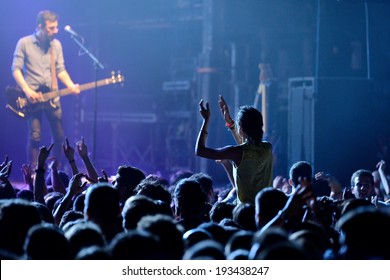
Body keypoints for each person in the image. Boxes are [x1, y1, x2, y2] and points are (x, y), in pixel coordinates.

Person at [11, 10, 80, 169]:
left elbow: (61, 69)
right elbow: (15, 69)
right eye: (51, 28)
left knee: (59, 136)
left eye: (56, 27)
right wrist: (28, 91)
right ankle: (35, 172)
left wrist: (70, 85)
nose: (55, 31)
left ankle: (53, 171)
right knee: (35, 136)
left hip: (52, 98)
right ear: (40, 26)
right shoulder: (24, 43)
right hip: (32, 98)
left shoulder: (56, 45)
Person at [195, 96, 273, 205]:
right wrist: (230, 123)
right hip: (266, 211)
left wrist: (206, 120)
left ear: (241, 128)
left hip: (245, 215)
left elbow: (200, 150)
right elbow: (247, 148)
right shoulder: (267, 148)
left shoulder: (235, 152)